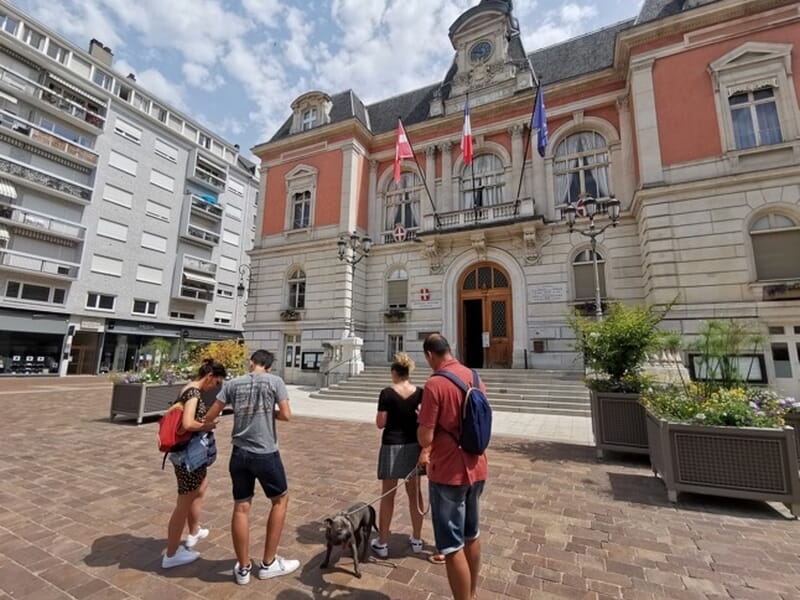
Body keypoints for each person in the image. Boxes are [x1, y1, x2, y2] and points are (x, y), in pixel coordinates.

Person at [204, 349, 300, 585]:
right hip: (265, 452)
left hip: (239, 453)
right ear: (268, 366)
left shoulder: (234, 384)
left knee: (241, 507)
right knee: (280, 500)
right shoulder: (275, 381)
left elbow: (211, 415)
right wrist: (268, 413)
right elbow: (287, 415)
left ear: (251, 363)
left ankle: (244, 567)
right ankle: (268, 563)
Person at [417, 334, 488, 600]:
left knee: (451, 545)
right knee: (472, 534)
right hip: (477, 466)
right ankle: (471, 593)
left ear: (429, 355)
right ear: (450, 350)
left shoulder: (435, 384)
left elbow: (425, 437)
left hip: (448, 471)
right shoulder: (476, 377)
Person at [162, 359, 226, 569]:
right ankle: (171, 554)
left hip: (187, 454)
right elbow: (188, 423)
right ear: (209, 377)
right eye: (216, 383)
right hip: (187, 455)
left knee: (199, 488)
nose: (215, 387)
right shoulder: (194, 393)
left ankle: (194, 531)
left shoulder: (187, 388)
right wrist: (208, 424)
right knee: (184, 502)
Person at [371, 352, 431, 559]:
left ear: (395, 372)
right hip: (414, 445)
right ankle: (416, 539)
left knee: (388, 496)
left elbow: (381, 423)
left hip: (391, 446)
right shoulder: (420, 392)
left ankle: (383, 542)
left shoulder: (387, 393)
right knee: (415, 495)